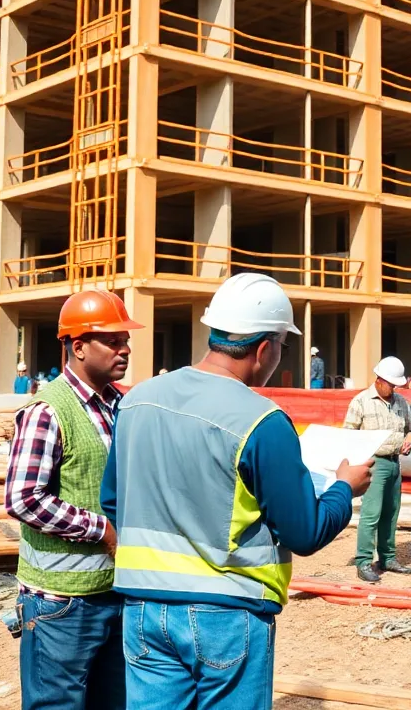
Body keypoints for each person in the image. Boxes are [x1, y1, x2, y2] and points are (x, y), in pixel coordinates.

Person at [101, 273, 372, 709]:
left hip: (142, 606)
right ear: (265, 348)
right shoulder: (261, 420)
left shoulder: (136, 401)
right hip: (227, 612)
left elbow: (114, 501)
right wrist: (344, 488)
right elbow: (304, 533)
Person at [6, 289, 143, 710]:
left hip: (114, 591)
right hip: (60, 604)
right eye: (113, 341)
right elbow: (24, 498)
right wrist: (103, 530)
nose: (125, 349)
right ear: (79, 347)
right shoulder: (48, 411)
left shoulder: (119, 405)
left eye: (125, 340)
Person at [345, 356, 411, 583]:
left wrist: (409, 439)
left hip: (395, 462)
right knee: (372, 513)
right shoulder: (361, 402)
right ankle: (364, 561)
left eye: (396, 385)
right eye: (391, 384)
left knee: (391, 512)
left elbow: (409, 429)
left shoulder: (401, 403)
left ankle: (387, 557)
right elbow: (348, 434)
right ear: (379, 379)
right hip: (374, 462)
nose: (394, 388)